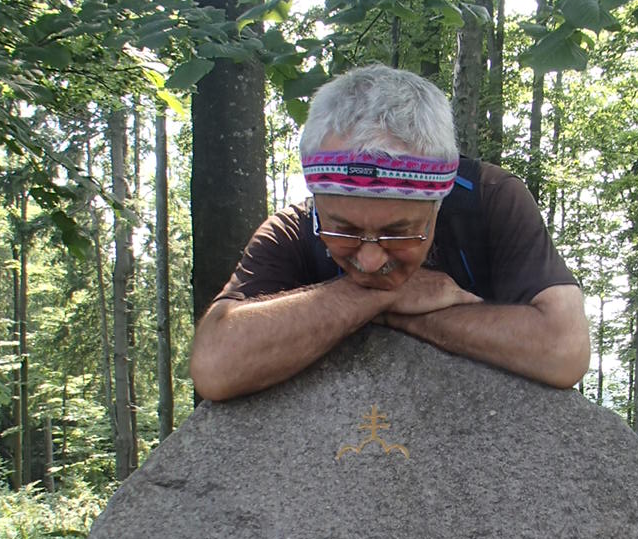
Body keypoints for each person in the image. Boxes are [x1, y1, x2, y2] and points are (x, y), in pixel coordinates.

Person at [190, 64, 590, 401]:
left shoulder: (490, 200)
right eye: (342, 229)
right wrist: (388, 296)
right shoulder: (292, 231)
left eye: (399, 232)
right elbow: (215, 365)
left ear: (438, 205)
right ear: (318, 204)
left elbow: (564, 349)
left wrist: (399, 315)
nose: (370, 260)